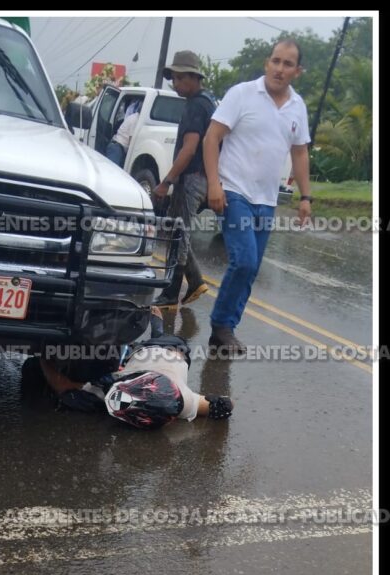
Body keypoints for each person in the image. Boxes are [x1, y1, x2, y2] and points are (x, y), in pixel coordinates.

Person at [203, 39, 312, 355]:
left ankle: (225, 330)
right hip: (234, 191)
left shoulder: (297, 106)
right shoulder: (242, 94)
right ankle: (222, 326)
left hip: (266, 200)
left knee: (251, 268)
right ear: (267, 63)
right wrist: (214, 184)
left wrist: (306, 197)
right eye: (275, 61)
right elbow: (212, 138)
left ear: (297, 71)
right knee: (244, 260)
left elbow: (300, 152)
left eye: (287, 64)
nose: (280, 69)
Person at [36, 309, 234, 429]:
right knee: (157, 336)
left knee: (76, 397)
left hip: (149, 355)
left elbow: (65, 388)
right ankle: (155, 322)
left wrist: (42, 355)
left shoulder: (180, 403)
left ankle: (152, 324)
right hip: (169, 350)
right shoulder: (185, 401)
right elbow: (225, 405)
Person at [152, 51, 215, 308]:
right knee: (177, 230)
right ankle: (196, 281)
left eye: (179, 78)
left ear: (193, 77)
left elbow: (189, 149)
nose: (175, 84)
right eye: (173, 79)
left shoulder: (195, 106)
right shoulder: (208, 102)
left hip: (191, 177)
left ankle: (171, 293)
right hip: (200, 177)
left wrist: (167, 181)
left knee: (179, 234)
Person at [105, 101, 142, 167]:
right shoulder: (135, 120)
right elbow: (131, 141)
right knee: (111, 170)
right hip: (116, 148)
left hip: (118, 148)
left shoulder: (134, 117)